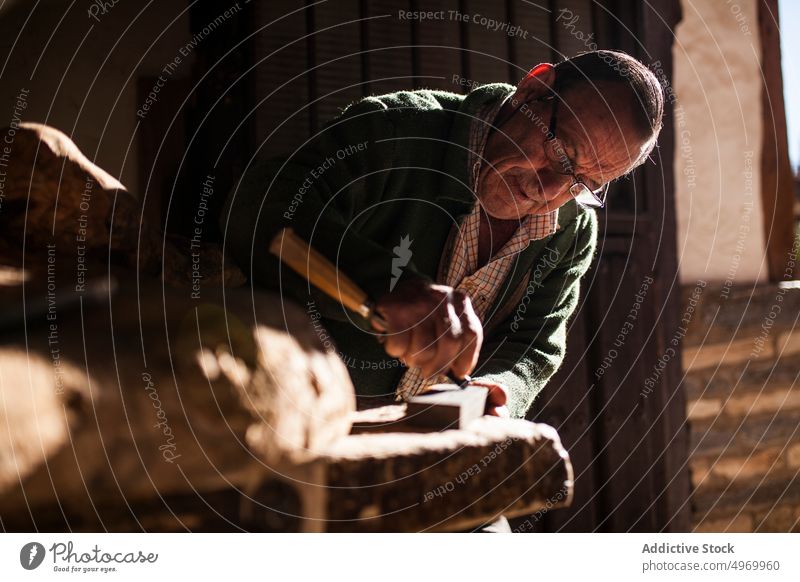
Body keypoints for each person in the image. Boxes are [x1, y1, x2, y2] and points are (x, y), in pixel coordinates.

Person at [220, 50, 664, 419]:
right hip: (309, 423)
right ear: (535, 88)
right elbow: (260, 208)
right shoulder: (393, 133)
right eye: (563, 152)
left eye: (583, 183)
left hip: (441, 453)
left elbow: (535, 343)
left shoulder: (571, 228)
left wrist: (498, 394)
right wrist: (384, 287)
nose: (548, 190)